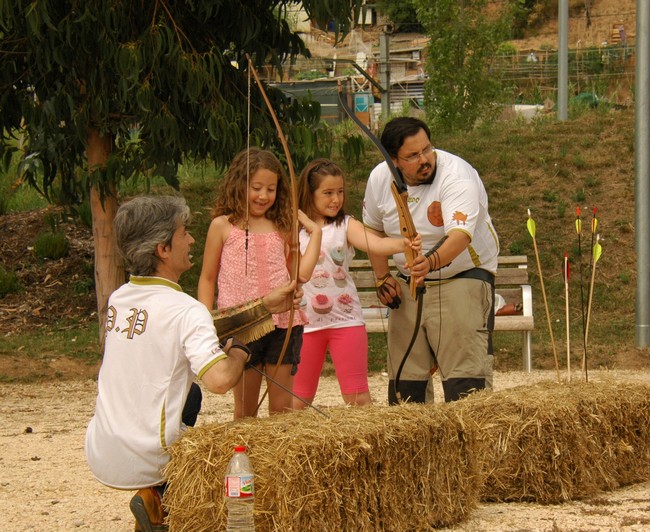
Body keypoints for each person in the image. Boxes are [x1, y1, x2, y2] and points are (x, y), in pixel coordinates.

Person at [85, 195, 300, 531]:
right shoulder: (185, 310)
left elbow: (191, 326)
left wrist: (264, 307)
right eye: (183, 233)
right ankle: (160, 494)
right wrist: (240, 352)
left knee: (191, 396)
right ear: (163, 249)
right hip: (149, 458)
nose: (192, 240)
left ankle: (154, 499)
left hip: (102, 449)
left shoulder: (120, 297)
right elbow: (220, 380)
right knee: (230, 466)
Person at [362, 117, 499, 404]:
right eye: (412, 155)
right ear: (393, 160)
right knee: (406, 389)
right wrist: (382, 277)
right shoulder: (379, 178)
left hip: (462, 276)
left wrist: (429, 262)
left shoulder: (456, 175)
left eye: (427, 149)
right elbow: (372, 229)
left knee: (466, 387)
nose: (425, 160)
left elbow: (460, 236)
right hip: (409, 282)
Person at [198, 148, 321, 418]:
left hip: (283, 324)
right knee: (245, 410)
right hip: (243, 326)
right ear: (239, 184)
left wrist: (316, 234)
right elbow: (207, 278)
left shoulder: (282, 225)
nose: (263, 196)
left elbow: (300, 274)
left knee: (282, 409)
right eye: (256, 188)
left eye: (271, 189)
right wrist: (206, 324)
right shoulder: (222, 226)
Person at [292, 159, 419, 410]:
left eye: (340, 192)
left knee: (358, 398)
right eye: (328, 193)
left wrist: (403, 243)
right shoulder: (294, 229)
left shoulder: (345, 224)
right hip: (304, 324)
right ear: (310, 193)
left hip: (346, 319)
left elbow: (375, 244)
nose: (336, 199)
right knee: (297, 400)